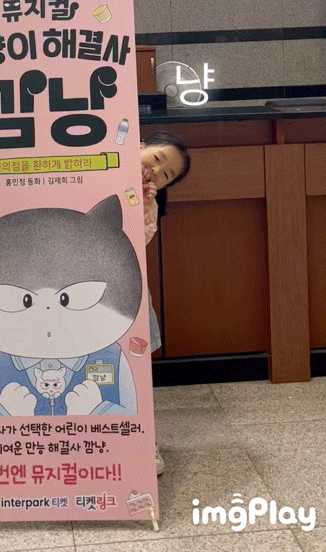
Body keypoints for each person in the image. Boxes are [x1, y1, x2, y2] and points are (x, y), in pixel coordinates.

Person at [140, 131, 191, 475]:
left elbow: (137, 240)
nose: (156, 172)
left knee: (132, 370)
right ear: (139, 146)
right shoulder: (91, 165)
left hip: (119, 287)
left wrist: (142, 202)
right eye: (157, 159)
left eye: (166, 175)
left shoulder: (149, 202)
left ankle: (143, 438)